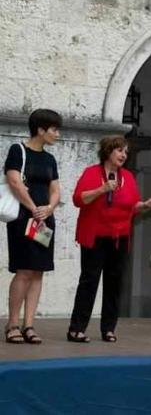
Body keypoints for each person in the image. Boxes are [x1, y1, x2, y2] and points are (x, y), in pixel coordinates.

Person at [67, 135, 151, 343]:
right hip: (95, 237)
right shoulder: (92, 173)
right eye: (120, 151)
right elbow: (78, 199)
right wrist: (102, 189)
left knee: (114, 284)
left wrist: (146, 205)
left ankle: (108, 329)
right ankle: (76, 329)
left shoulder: (127, 176)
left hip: (119, 238)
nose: (124, 155)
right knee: (89, 282)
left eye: (126, 152)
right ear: (108, 151)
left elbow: (133, 206)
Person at [3, 109, 62, 344]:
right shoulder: (18, 150)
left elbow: (56, 189)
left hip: (44, 220)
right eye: (54, 129)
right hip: (23, 219)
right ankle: (13, 324)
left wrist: (48, 208)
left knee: (38, 271)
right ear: (40, 129)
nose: (57, 134)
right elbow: (14, 181)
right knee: (24, 270)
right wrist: (33, 207)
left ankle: (29, 324)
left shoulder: (50, 159)